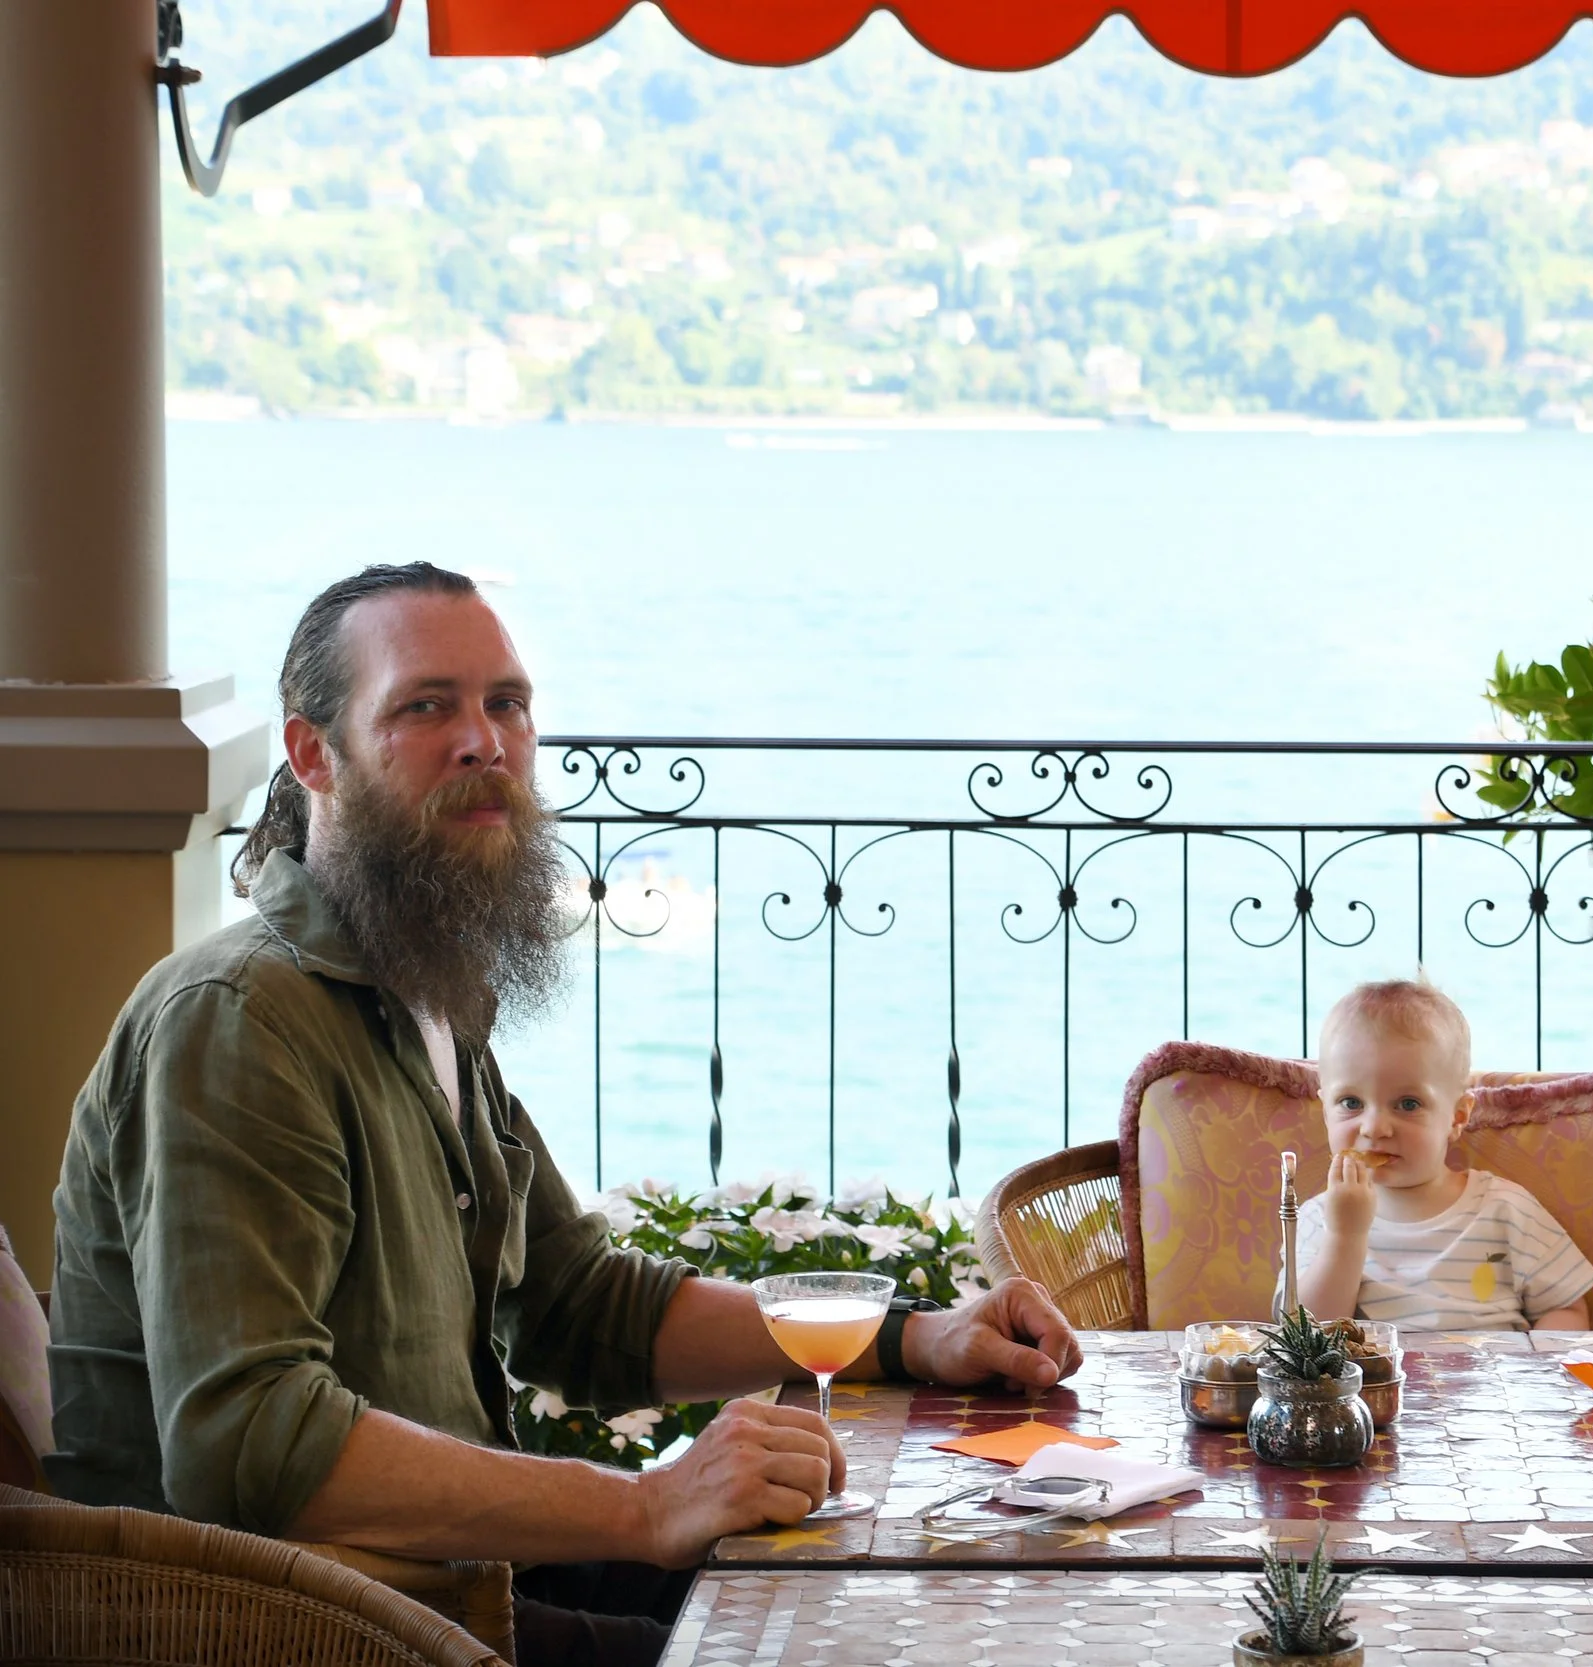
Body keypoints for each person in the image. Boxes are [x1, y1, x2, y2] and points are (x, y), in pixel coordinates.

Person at [45, 562, 1086, 1667]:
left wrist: (915, 1335)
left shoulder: (415, 990)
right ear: (314, 755)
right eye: (425, 706)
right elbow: (247, 1443)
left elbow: (582, 1303)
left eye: (507, 703)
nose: (484, 742)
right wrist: (647, 1504)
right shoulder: (239, 1021)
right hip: (302, 1624)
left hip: (454, 1580)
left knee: (895, 1600)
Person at [1291, 979, 1593, 1330]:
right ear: (1325, 1111)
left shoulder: (1504, 1208)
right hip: (1378, 1368)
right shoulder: (1319, 1219)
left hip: (1492, 1366)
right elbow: (1305, 1334)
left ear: (1458, 1116)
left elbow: (1565, 1308)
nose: (1374, 1127)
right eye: (1351, 1103)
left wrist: (1537, 1360)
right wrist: (1345, 1236)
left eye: (1408, 1104)